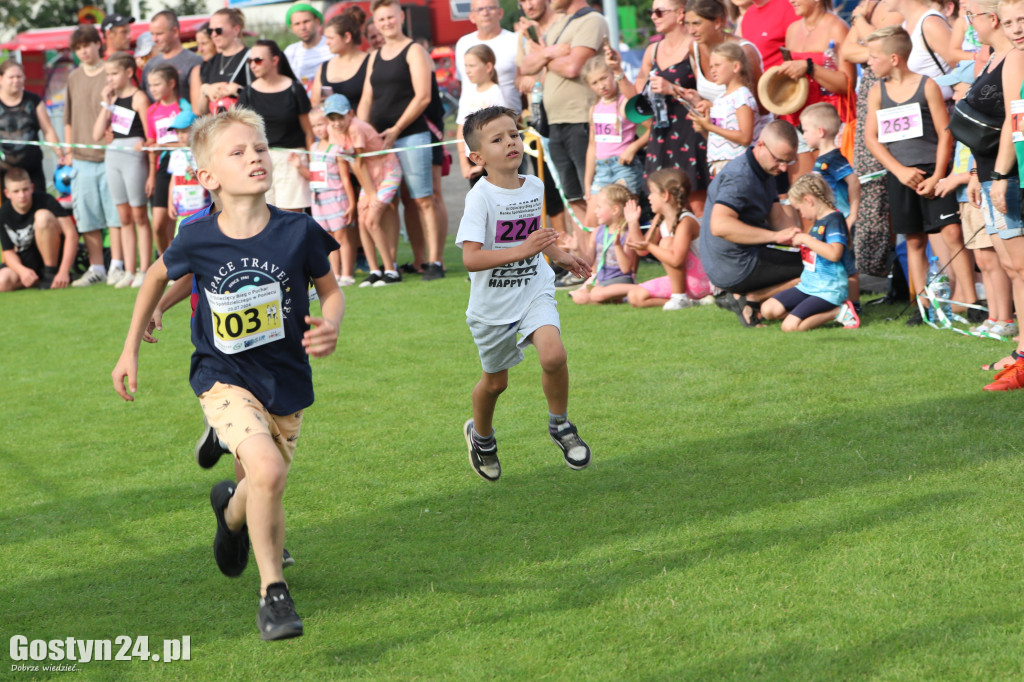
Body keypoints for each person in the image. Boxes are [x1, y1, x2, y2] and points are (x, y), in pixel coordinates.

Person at [112, 107, 345, 641]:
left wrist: (330, 324)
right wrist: (131, 349)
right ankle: (274, 595)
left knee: (263, 480)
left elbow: (330, 291)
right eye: (237, 152)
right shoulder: (198, 235)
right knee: (266, 471)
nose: (255, 158)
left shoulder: (298, 229)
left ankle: (230, 511)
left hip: (286, 381)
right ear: (208, 177)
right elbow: (155, 276)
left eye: (259, 148)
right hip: (222, 376)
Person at [455, 106, 592, 482]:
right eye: (497, 139)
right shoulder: (479, 198)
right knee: (496, 383)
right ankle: (481, 437)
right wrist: (525, 250)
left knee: (554, 354)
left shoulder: (534, 185)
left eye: (513, 134)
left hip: (534, 288)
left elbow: (535, 237)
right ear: (478, 158)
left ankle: (560, 425)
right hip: (493, 306)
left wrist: (561, 256)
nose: (510, 142)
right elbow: (470, 259)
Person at [863, 26, 957, 326]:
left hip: (933, 170)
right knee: (913, 241)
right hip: (900, 175)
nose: (868, 62)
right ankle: (923, 305)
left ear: (893, 58)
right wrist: (899, 171)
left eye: (873, 57)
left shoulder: (926, 85)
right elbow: (871, 138)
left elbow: (946, 132)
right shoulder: (877, 91)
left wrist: (939, 175)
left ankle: (968, 300)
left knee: (952, 233)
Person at [358, 0, 446, 280]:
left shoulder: (415, 50)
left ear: (401, 17)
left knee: (423, 198)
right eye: (381, 19)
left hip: (411, 135)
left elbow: (423, 96)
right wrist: (362, 133)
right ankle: (390, 265)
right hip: (380, 142)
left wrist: (396, 129)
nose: (386, 23)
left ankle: (435, 261)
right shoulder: (374, 56)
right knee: (390, 202)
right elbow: (367, 99)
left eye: (390, 17)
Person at [698, 120, 803, 326]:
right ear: (761, 145)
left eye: (788, 162)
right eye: (779, 160)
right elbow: (720, 226)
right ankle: (752, 298)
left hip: (741, 257)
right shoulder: (740, 177)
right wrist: (775, 237)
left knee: (814, 259)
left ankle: (746, 299)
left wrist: (805, 241)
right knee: (815, 269)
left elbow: (778, 219)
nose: (783, 168)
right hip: (733, 265)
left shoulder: (765, 169)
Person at [519, 0, 609, 227]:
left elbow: (572, 68)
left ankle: (601, 256)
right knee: (573, 198)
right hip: (556, 122)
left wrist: (544, 57)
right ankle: (584, 259)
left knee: (593, 196)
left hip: (581, 119)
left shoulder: (592, 20)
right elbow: (527, 66)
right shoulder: (560, 26)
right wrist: (550, 52)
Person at [979, 0, 1024, 388]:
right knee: (1016, 268)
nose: (1015, 28)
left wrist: (998, 174)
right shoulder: (1011, 59)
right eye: (1009, 22)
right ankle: (1023, 354)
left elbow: (1014, 119)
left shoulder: (1016, 61)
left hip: (1008, 175)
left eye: (1021, 20)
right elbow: (1016, 118)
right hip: (1009, 174)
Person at [841, 0, 903, 278]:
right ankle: (873, 269)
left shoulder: (894, 8)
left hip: (895, 97)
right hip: (869, 99)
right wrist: (871, 43)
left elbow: (888, 43)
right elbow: (847, 50)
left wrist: (858, 18)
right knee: (869, 184)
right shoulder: (870, 10)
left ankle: (892, 272)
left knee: (889, 186)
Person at [634, 0, 709, 214]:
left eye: (659, 12)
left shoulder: (694, 47)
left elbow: (710, 93)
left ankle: (699, 247)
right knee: (663, 202)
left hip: (691, 132)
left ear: (680, 14)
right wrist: (622, 75)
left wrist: (673, 89)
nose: (653, 17)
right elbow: (639, 85)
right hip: (661, 134)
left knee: (695, 203)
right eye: (651, 12)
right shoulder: (653, 50)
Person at [63, 25, 124, 287]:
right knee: (87, 216)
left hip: (110, 155)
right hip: (80, 157)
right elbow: (68, 119)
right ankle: (96, 266)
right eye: (78, 48)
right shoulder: (73, 77)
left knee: (115, 215)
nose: (83, 51)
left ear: (98, 44)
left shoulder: (111, 72)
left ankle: (118, 265)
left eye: (87, 45)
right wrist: (67, 151)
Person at [324, 93, 404, 287]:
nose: (336, 123)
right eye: (332, 118)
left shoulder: (356, 127)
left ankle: (391, 271)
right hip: (369, 176)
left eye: (340, 117)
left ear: (350, 114)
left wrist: (371, 195)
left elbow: (359, 161)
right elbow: (353, 163)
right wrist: (368, 192)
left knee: (372, 219)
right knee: (362, 218)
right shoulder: (333, 130)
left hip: (387, 172)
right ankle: (375, 270)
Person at [761, 172, 853, 331]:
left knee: (789, 327)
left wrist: (806, 239)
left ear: (808, 201)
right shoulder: (818, 222)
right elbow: (816, 250)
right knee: (768, 309)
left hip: (828, 290)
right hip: (809, 286)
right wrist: (798, 241)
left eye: (799, 209)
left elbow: (834, 253)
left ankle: (839, 312)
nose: (801, 215)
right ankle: (807, 314)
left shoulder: (834, 220)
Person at [776, 0, 857, 176]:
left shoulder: (837, 27)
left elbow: (848, 83)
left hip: (830, 121)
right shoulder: (792, 29)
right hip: (798, 119)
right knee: (804, 190)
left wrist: (810, 68)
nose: (792, 1)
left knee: (836, 191)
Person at [93, 52, 152, 289]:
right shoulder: (112, 99)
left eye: (114, 73)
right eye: (107, 74)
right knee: (124, 217)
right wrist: (106, 104)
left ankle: (145, 268)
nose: (110, 79)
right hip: (113, 156)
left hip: (133, 157)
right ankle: (129, 269)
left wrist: (150, 172)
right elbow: (97, 135)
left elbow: (150, 138)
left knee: (139, 215)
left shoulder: (139, 97)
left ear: (129, 73)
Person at [237, 40, 314, 212]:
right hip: (259, 160)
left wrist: (311, 163)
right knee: (263, 217)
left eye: (257, 60)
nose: (252, 65)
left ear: (275, 60)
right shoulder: (247, 93)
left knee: (291, 219)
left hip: (292, 158)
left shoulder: (294, 89)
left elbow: (308, 131)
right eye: (250, 61)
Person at [800, 102, 862, 311]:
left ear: (820, 131)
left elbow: (853, 181)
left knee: (847, 264)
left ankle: (854, 306)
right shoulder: (821, 159)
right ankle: (837, 301)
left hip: (840, 220)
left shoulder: (833, 159)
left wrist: (852, 214)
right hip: (828, 221)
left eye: (805, 130)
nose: (803, 135)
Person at [625, 168, 712, 310]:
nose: (649, 197)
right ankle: (693, 302)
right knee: (635, 296)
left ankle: (679, 297)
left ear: (665, 195)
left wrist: (649, 246)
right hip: (684, 281)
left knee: (666, 242)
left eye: (652, 192)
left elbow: (676, 259)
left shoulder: (686, 221)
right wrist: (633, 223)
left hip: (702, 280)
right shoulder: (660, 218)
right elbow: (641, 251)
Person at [581, 55, 644, 217]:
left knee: (623, 218)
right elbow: (592, 146)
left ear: (612, 75)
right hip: (601, 170)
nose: (601, 86)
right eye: (594, 83)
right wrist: (587, 184)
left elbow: (652, 129)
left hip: (623, 168)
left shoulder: (625, 103)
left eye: (604, 78)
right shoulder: (595, 108)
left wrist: (633, 147)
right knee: (592, 220)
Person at [687, 42, 759, 178]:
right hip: (719, 167)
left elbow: (745, 138)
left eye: (717, 65)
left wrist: (710, 127)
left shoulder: (742, 96)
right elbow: (719, 138)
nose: (712, 70)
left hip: (738, 167)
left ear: (736, 67)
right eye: (711, 66)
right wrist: (703, 128)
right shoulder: (719, 99)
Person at [0, 168, 77, 291]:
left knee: (42, 216)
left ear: (32, 187)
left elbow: (71, 234)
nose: (22, 195)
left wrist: (64, 271)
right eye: (16, 191)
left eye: (25, 189)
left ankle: (51, 273)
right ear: (7, 193)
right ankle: (36, 280)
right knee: (2, 282)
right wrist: (22, 271)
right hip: (27, 262)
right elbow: (8, 251)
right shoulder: (4, 213)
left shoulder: (46, 200)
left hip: (53, 259)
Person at [305, 106, 356, 284]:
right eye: (315, 126)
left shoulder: (337, 147)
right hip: (318, 200)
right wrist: (298, 167)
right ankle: (335, 273)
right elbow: (313, 175)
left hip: (336, 197)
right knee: (328, 239)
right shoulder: (313, 147)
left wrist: (351, 203)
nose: (319, 129)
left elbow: (345, 177)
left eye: (322, 124)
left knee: (342, 237)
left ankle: (347, 274)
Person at [569, 184, 638, 304]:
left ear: (615, 210)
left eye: (599, 207)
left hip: (621, 280)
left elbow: (626, 268)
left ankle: (640, 289)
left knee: (596, 293)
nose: (595, 211)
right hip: (602, 280)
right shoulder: (598, 231)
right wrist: (577, 249)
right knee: (579, 297)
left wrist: (617, 246)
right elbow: (589, 261)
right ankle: (618, 299)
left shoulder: (627, 234)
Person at [0, 60, 61, 193]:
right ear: (1, 79)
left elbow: (48, 130)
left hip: (32, 170)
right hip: (3, 172)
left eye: (19, 76)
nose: (16, 80)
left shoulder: (34, 101)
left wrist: (60, 154)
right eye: (11, 77)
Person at [145, 64, 187, 254]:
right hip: (163, 168)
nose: (152, 89)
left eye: (157, 84)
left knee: (176, 223)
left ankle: (179, 266)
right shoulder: (151, 111)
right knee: (158, 224)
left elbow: (190, 141)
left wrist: (165, 146)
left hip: (184, 166)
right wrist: (151, 176)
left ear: (171, 83)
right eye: (150, 85)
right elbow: (152, 145)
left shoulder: (184, 106)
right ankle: (164, 263)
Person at [455, 0, 522, 114]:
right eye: (479, 9)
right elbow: (462, 81)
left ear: (500, 13)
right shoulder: (463, 43)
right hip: (470, 122)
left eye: (490, 8)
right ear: (472, 16)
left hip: (508, 121)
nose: (485, 13)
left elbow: (524, 80)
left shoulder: (515, 41)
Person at [457, 44, 511, 182]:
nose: (467, 70)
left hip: (493, 162)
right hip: (473, 161)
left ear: (488, 67)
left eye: (472, 65)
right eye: (466, 65)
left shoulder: (495, 92)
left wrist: (483, 164)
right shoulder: (468, 94)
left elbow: (498, 132)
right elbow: (461, 129)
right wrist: (464, 164)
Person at [192, 8, 249, 116]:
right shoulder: (211, 63)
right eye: (210, 31)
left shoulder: (251, 58)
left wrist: (239, 91)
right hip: (218, 129)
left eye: (218, 30)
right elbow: (201, 111)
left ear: (236, 30)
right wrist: (205, 90)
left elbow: (263, 99)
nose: (214, 35)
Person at [142, 10, 204, 100]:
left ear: (175, 31)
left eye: (159, 34)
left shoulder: (195, 62)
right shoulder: (150, 64)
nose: (154, 39)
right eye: (152, 34)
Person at [311, 13, 369, 108]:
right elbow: (315, 103)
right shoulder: (325, 66)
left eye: (331, 38)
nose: (326, 42)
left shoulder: (370, 61)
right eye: (326, 38)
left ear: (347, 37)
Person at [284, 3, 332, 92]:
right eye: (297, 24)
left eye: (306, 21)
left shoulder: (331, 45)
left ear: (317, 21)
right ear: (292, 27)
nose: (302, 27)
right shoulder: (290, 52)